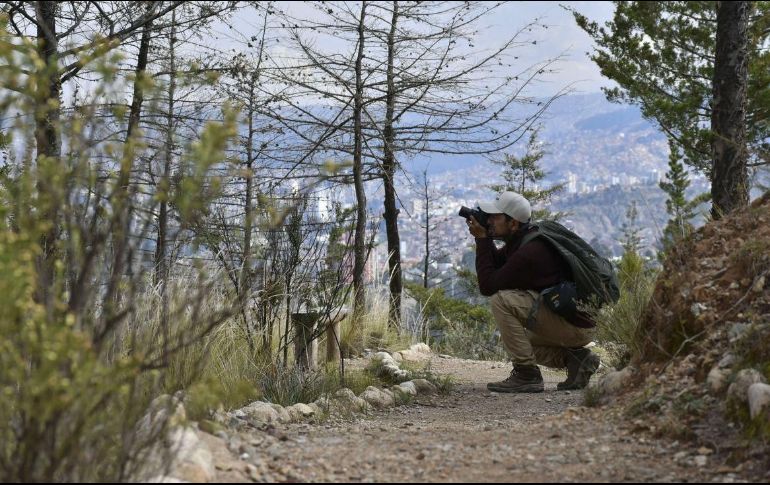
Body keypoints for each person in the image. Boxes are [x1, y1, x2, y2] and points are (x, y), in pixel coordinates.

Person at [466, 191, 600, 393]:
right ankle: (576, 360)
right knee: (518, 342)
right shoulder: (527, 239)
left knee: (501, 300)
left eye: (495, 217)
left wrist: (483, 239)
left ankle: (526, 375)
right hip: (578, 322)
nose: (490, 221)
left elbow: (488, 286)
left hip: (574, 327)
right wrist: (484, 236)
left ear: (513, 223)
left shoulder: (530, 252)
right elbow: (497, 264)